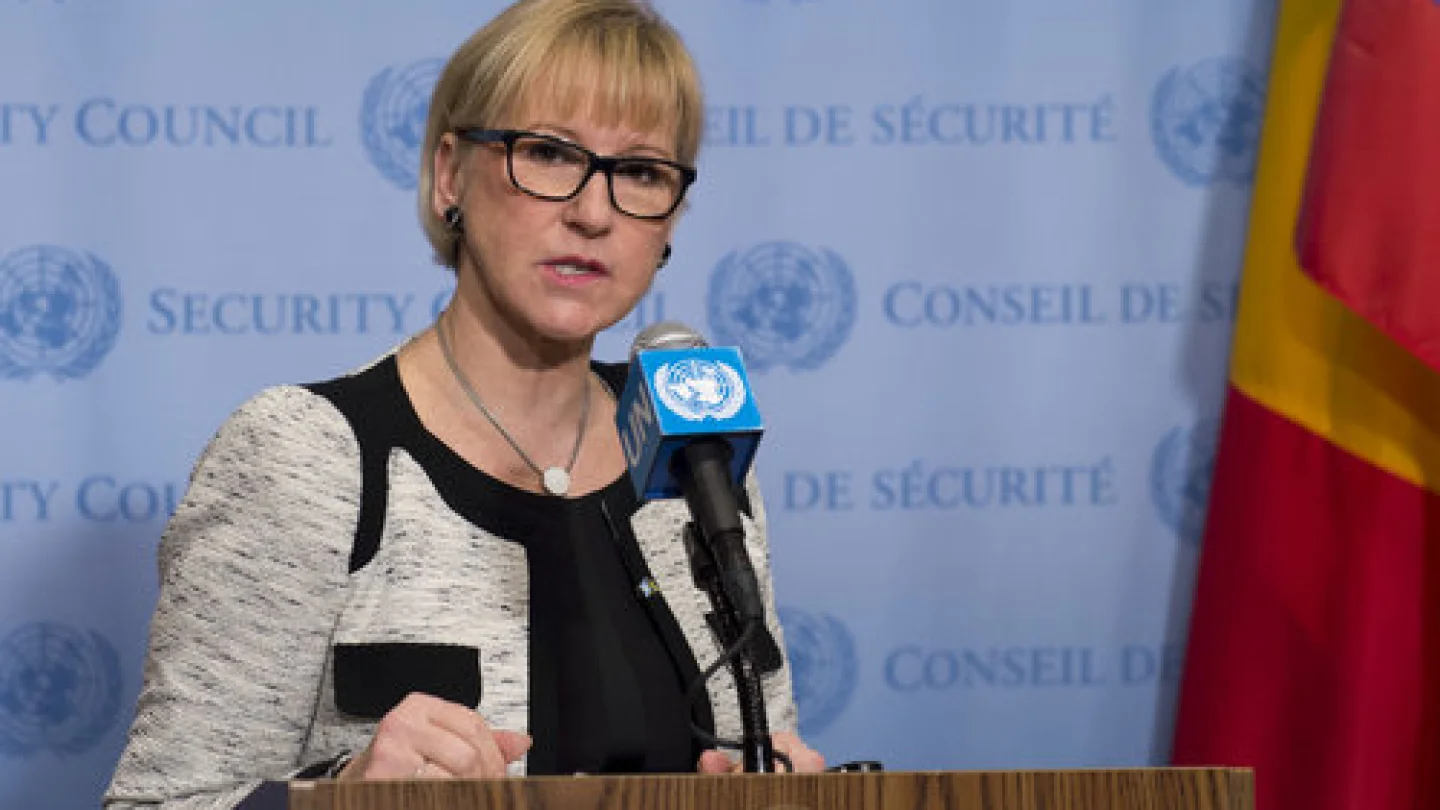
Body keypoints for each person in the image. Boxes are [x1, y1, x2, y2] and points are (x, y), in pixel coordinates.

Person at [102, 1, 823, 806]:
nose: (592, 212)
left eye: (640, 172)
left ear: (670, 223)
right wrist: (347, 794)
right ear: (452, 175)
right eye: (548, 153)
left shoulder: (702, 458)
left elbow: (767, 742)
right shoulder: (307, 453)